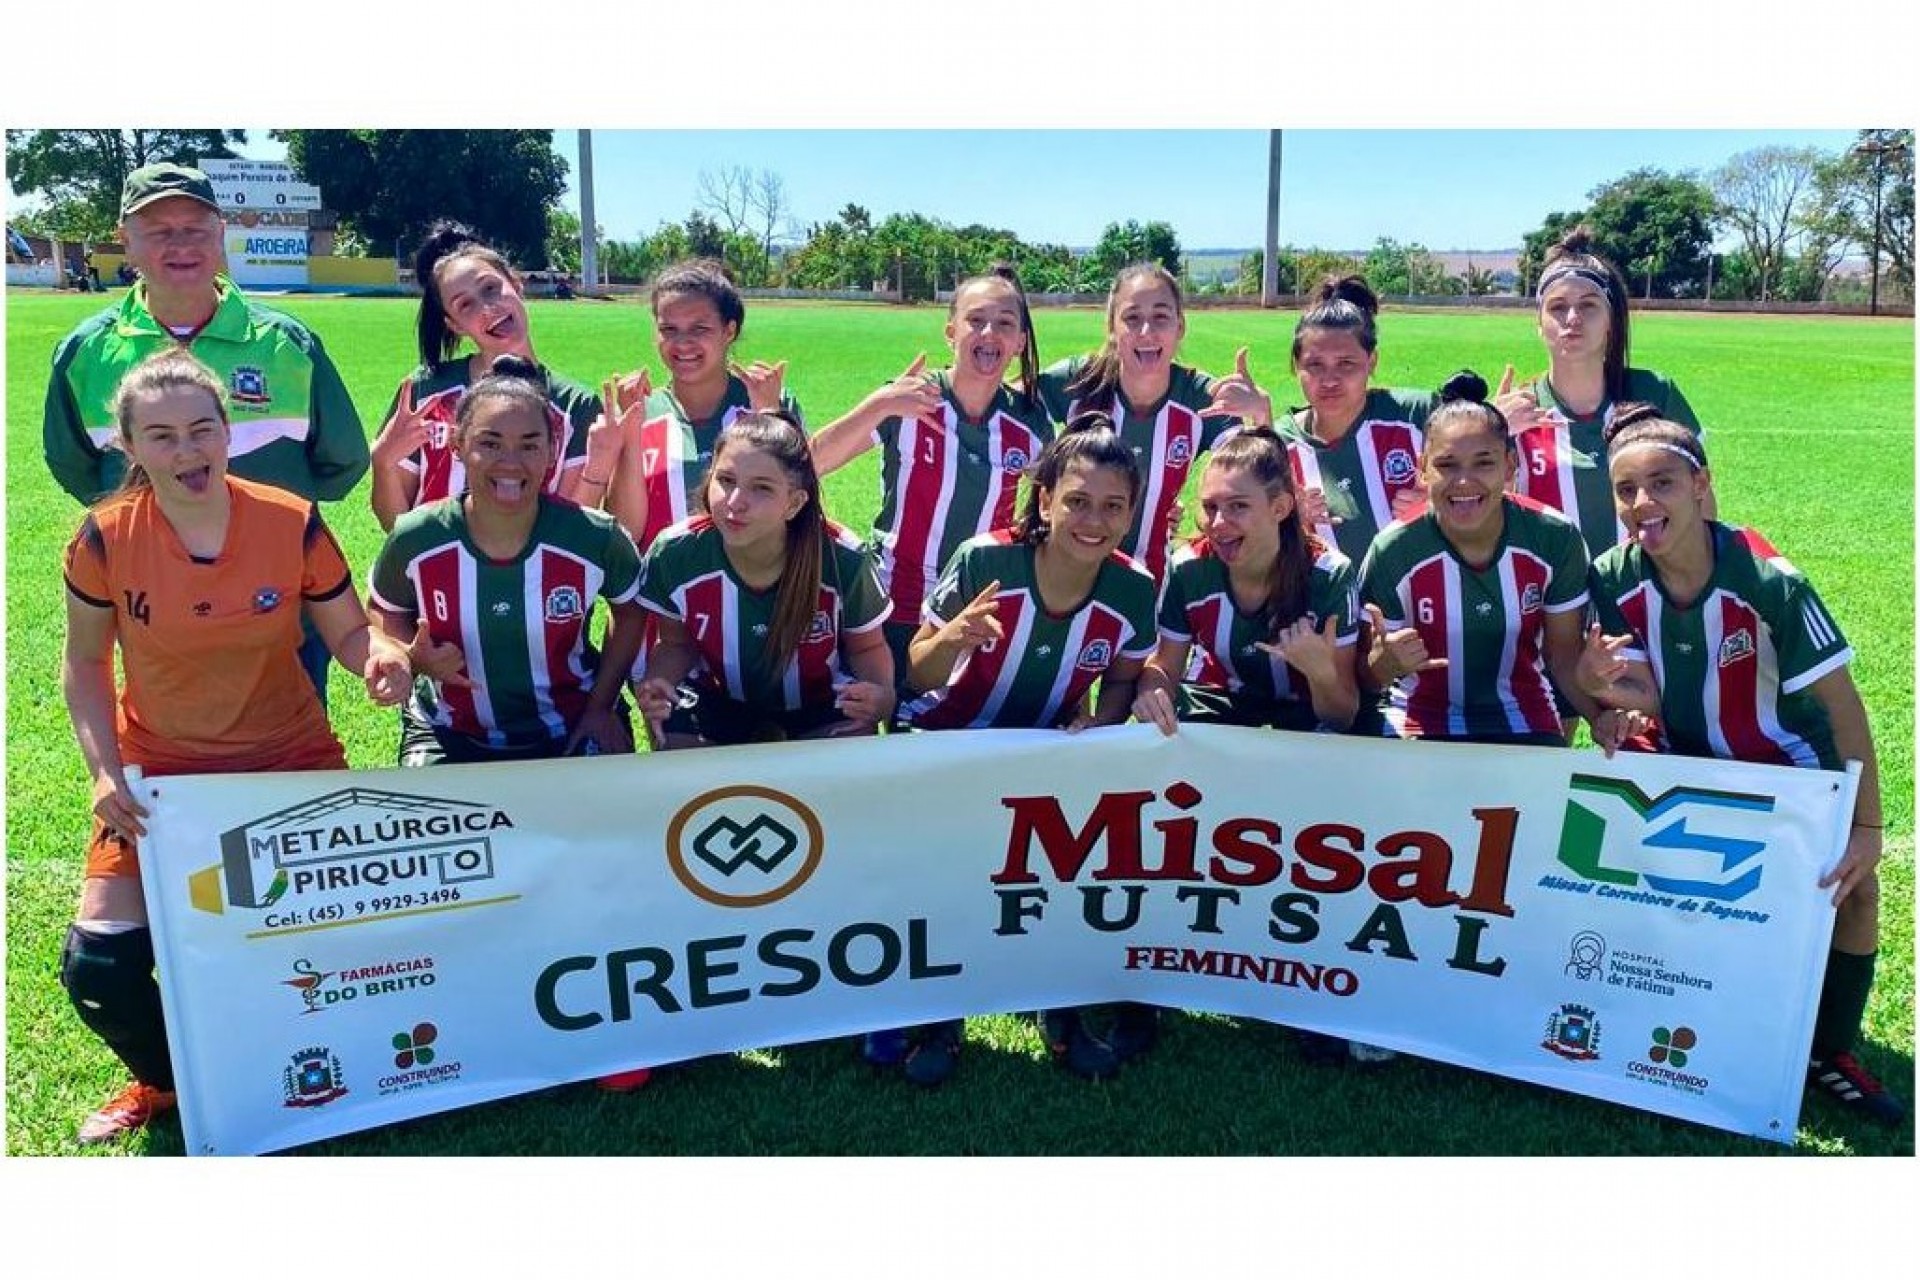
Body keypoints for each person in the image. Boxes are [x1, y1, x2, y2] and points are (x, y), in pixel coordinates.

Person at [58, 349, 411, 1145]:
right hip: (162, 777)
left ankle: (337, 1062)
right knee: (100, 969)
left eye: (201, 430)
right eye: (162, 437)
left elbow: (350, 632)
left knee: (338, 943)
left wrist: (379, 660)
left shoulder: (290, 518)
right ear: (130, 447)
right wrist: (101, 774)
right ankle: (172, 1081)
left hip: (287, 761)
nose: (187, 452)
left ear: (228, 432)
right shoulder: (106, 539)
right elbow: (83, 663)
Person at [1578, 411, 1904, 1126]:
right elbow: (1642, 696)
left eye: (1661, 484)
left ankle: (1830, 1051)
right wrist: (1604, 696)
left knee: (1851, 891)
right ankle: (1663, 1013)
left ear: (1701, 486)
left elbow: (1844, 709)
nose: (1642, 505)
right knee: (1628, 869)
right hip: (1685, 759)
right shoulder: (1612, 577)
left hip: (1785, 768)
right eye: (1626, 490)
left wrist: (1868, 827)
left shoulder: (1770, 581)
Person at [896, 416, 1159, 1086]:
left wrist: (1104, 721)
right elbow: (914, 675)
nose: (1092, 520)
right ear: (1045, 500)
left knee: (1066, 872)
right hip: (944, 743)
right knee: (945, 882)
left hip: (1043, 752)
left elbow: (1126, 676)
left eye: (1112, 506)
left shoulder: (1132, 590)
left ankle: (1059, 1008)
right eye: (1077, 501)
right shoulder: (987, 560)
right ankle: (940, 1015)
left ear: (1131, 514)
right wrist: (952, 637)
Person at [43, 162, 370, 700]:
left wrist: (275, 526)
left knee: (291, 758)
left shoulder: (286, 343)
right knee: (172, 755)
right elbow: (77, 465)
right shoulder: (87, 351)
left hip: (282, 604)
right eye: (159, 230)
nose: (181, 244)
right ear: (126, 240)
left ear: (220, 235)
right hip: (157, 613)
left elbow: (342, 464)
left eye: (195, 227)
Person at [369, 356, 646, 768]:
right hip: (448, 729)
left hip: (570, 723)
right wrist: (409, 655)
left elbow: (631, 611)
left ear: (553, 450)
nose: (510, 462)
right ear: (458, 444)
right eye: (490, 443)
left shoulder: (593, 536)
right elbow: (382, 609)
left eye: (529, 445)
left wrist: (600, 707)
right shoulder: (417, 535)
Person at [810, 264, 1052, 687]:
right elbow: (812, 463)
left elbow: (1053, 508)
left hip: (972, 604)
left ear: (1019, 342)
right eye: (975, 320)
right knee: (868, 725)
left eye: (1004, 324)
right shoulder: (909, 399)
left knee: (949, 736)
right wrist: (879, 404)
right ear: (951, 332)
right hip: (890, 597)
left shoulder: (1029, 424)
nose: (989, 333)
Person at [1356, 372, 1610, 747]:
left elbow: (1563, 656)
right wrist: (1384, 664)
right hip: (1418, 716)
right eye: (1447, 465)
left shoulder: (1554, 536)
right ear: (1422, 467)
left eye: (1483, 463)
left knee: (1535, 804)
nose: (1464, 481)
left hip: (1523, 713)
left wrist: (1600, 717)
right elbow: (1363, 677)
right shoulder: (1394, 548)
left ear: (1510, 466)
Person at [631, 410, 895, 750]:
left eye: (761, 488)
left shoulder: (843, 557)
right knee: (678, 756)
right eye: (725, 480)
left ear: (795, 503)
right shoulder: (676, 552)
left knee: (849, 753)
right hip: (718, 696)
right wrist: (659, 682)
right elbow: (675, 644)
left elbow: (868, 646)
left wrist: (881, 696)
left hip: (818, 699)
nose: (735, 502)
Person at [369, 221, 625, 532]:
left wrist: (600, 464)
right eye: (466, 305)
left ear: (516, 284)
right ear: (455, 325)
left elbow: (572, 529)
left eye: (491, 288)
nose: (487, 308)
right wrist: (382, 463)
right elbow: (395, 525)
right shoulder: (425, 392)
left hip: (531, 579)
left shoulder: (575, 405)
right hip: (436, 575)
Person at [1037, 263, 1274, 582]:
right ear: (1111, 327)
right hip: (1063, 572)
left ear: (1180, 326)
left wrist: (1261, 416)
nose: (1146, 332)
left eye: (1161, 317)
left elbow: (1260, 474)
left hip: (1150, 579)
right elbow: (1004, 405)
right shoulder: (1078, 381)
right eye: (1132, 318)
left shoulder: (1202, 396)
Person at [1132, 426, 1360, 737]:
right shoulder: (1189, 568)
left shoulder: (1330, 574)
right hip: (1216, 699)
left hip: (1305, 710)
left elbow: (1343, 716)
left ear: (1280, 508)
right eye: (1211, 507)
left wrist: (1321, 673)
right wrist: (1151, 693)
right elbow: (1165, 666)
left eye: (1238, 506)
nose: (1218, 524)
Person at [1495, 225, 1707, 559]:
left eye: (1589, 305)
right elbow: (1489, 525)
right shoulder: (1516, 411)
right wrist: (1491, 432)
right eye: (1557, 307)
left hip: (1642, 596)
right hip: (1553, 604)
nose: (1573, 318)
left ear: (1610, 319)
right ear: (1539, 323)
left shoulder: (1654, 393)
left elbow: (1702, 508)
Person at [605, 258, 801, 555]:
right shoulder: (640, 411)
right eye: (669, 329)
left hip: (748, 594)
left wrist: (770, 416)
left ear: (729, 331)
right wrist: (631, 432)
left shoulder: (769, 402)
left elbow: (800, 515)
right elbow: (625, 533)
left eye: (700, 328)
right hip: (659, 597)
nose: (683, 343)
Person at [1276, 275, 1436, 566]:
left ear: (1371, 362)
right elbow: (1221, 523)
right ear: (1297, 365)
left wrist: (1441, 499)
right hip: (1324, 607)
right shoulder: (1278, 444)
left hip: (1414, 605)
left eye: (1346, 364)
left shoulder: (1417, 415)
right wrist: (1283, 519)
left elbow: (1487, 482)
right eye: (1315, 365)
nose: (1329, 381)